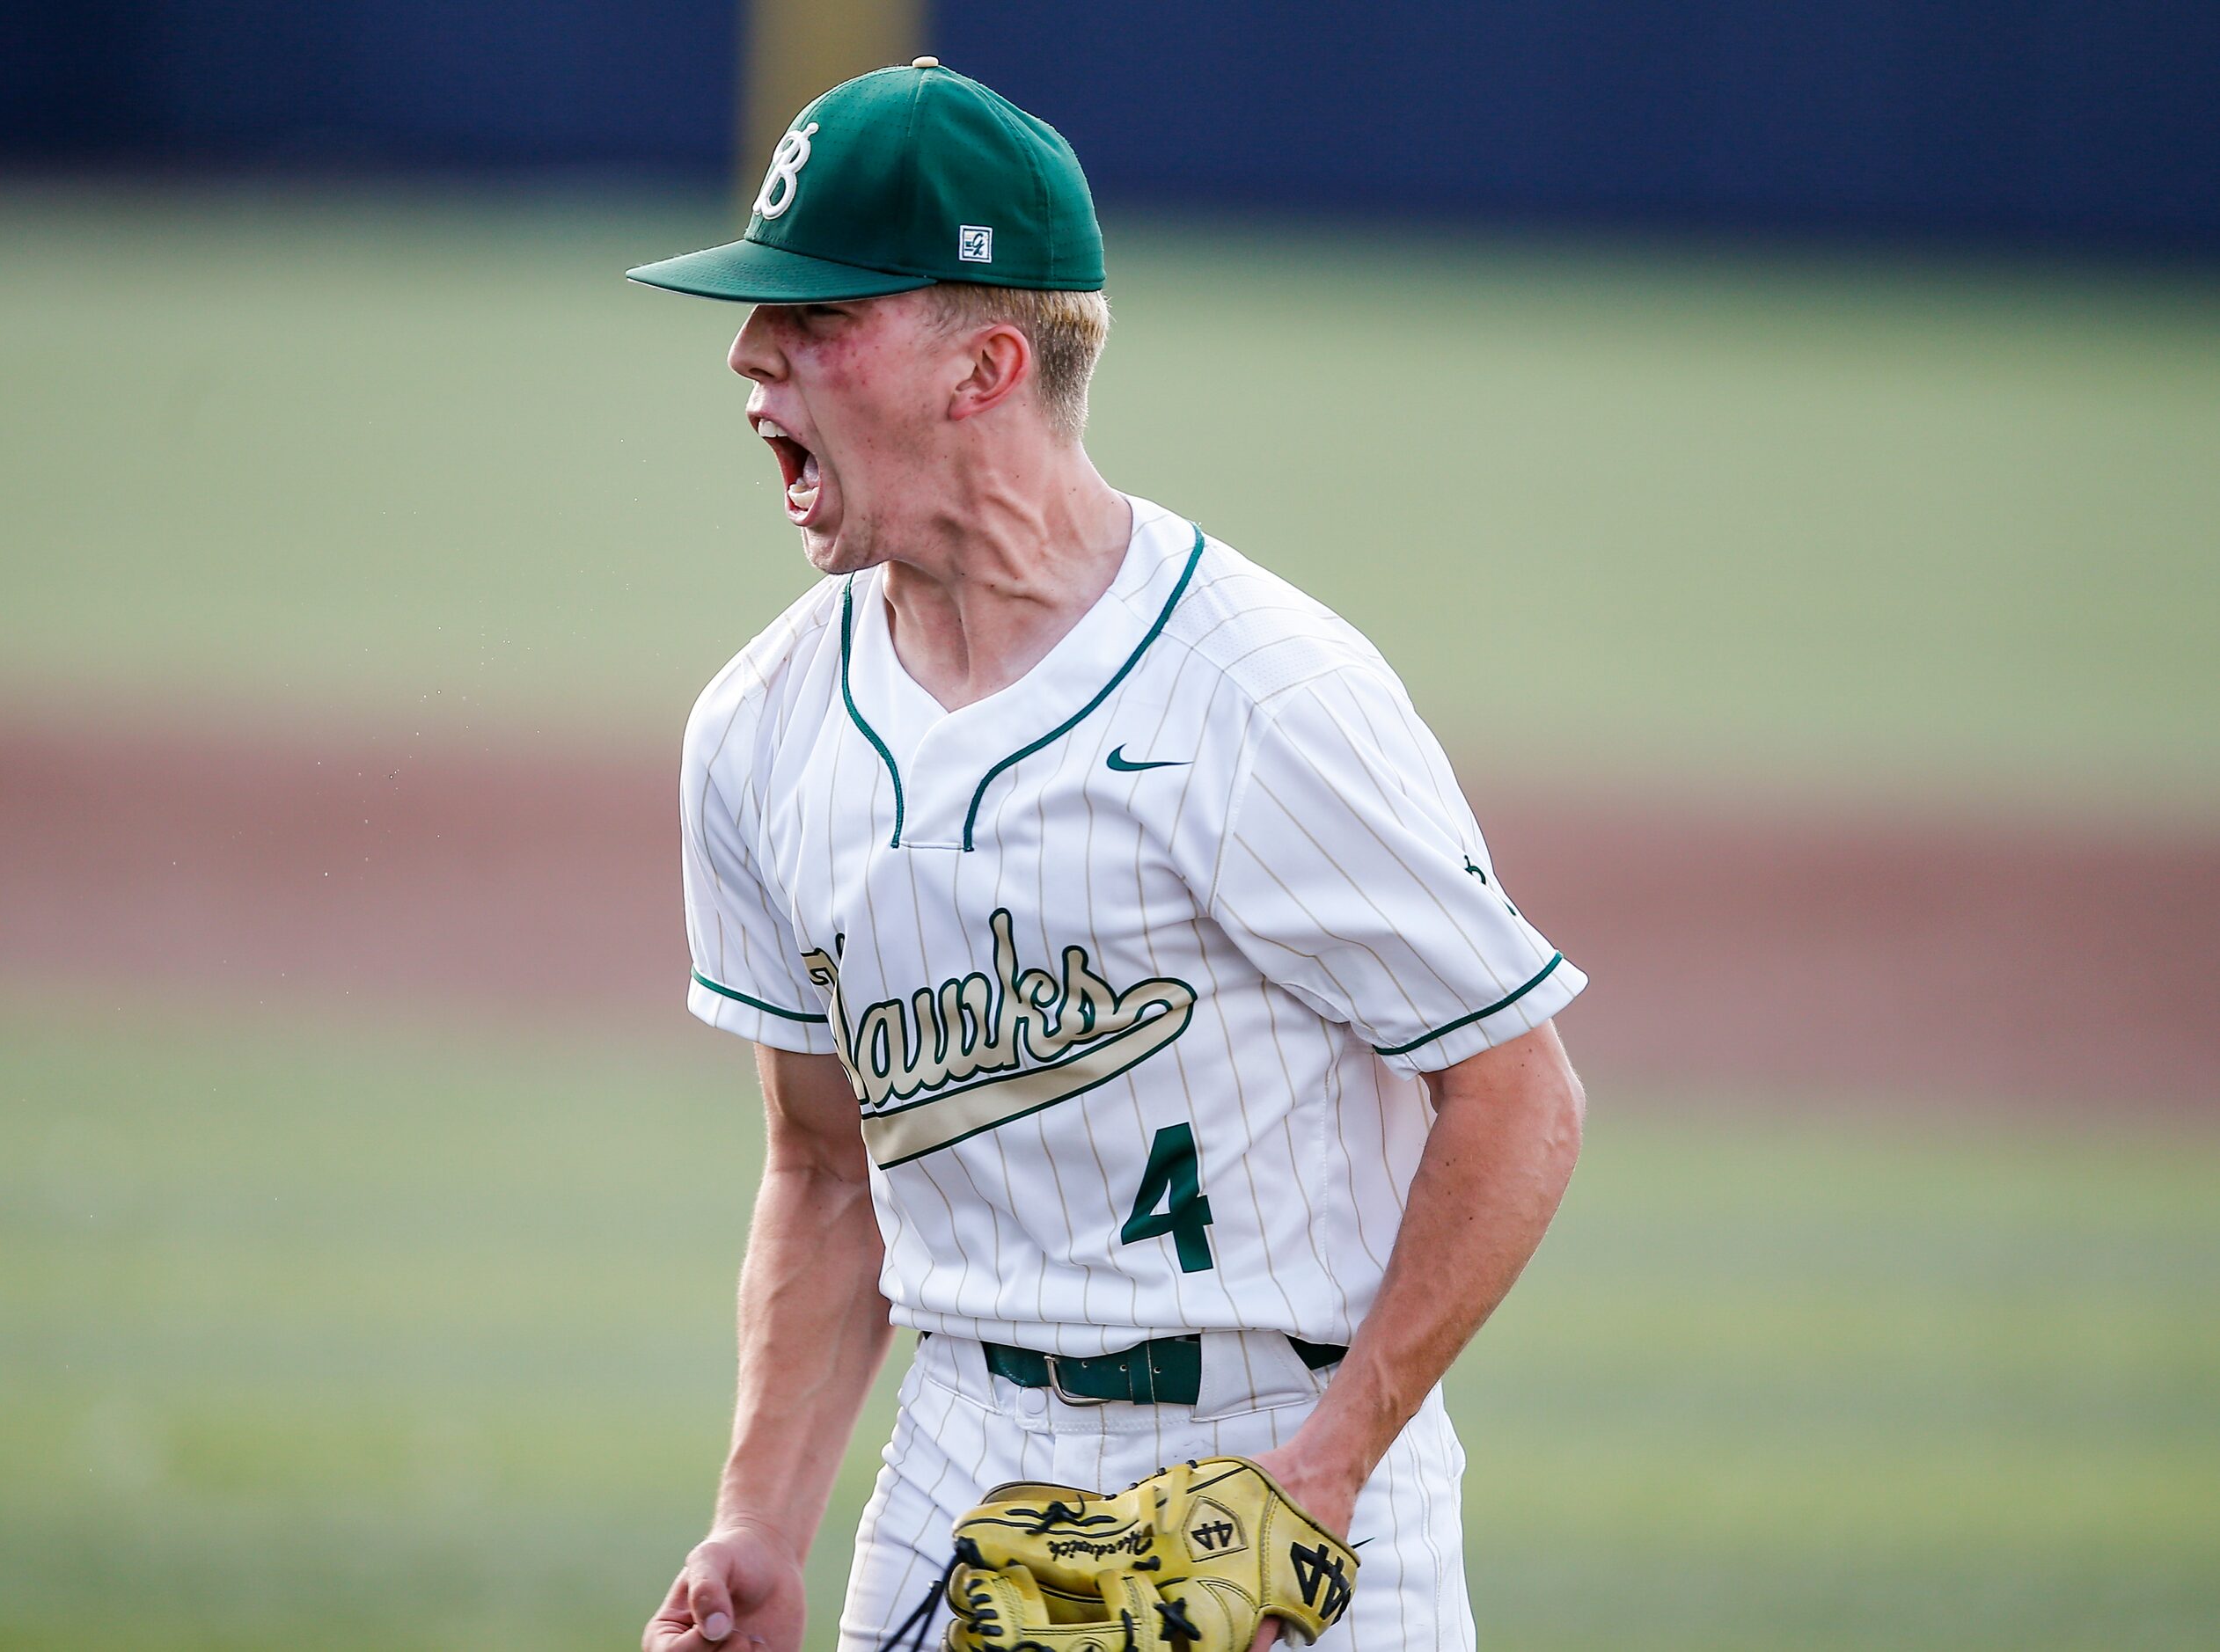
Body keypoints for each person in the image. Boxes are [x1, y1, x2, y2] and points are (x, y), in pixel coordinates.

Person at [628, 59, 1587, 1652]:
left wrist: (1322, 1481)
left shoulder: (1263, 696)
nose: (748, 357)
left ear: (986, 362)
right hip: (958, 1467)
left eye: (816, 319)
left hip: (1295, 1455)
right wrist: (763, 1522)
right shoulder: (761, 729)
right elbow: (822, 1162)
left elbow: (1519, 1090)